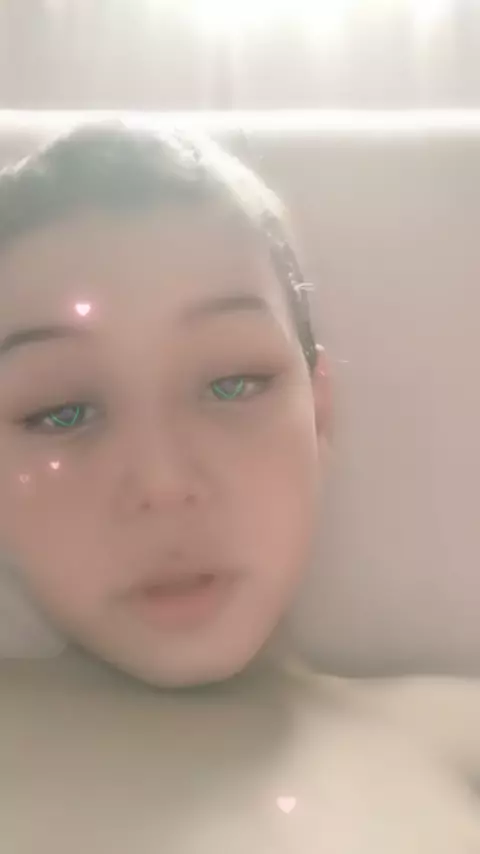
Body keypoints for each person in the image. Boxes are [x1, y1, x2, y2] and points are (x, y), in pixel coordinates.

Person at [0, 124, 479, 852]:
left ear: (319, 415)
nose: (163, 484)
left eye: (233, 384)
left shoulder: (447, 738)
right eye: (61, 412)